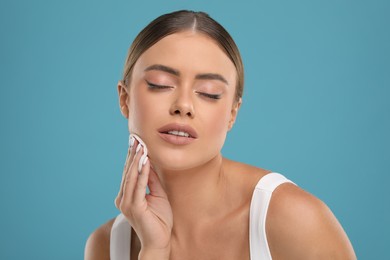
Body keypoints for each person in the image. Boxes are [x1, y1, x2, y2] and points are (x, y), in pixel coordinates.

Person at [84, 10, 356, 260]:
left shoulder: (292, 218)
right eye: (160, 84)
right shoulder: (106, 246)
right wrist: (155, 250)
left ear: (232, 114)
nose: (184, 106)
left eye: (208, 93)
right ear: (125, 98)